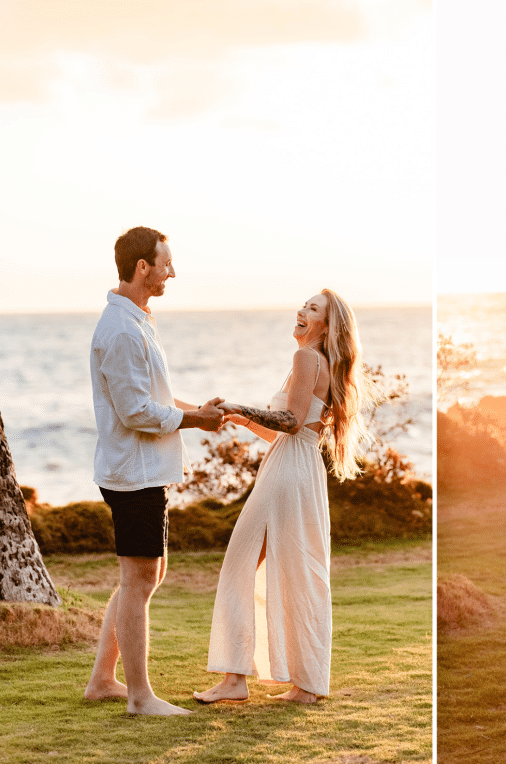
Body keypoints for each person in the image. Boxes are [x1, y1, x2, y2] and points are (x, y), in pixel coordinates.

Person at [193, 289, 373, 705]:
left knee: (239, 564)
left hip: (287, 472)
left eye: (313, 309)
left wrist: (241, 404)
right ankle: (304, 686)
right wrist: (239, 417)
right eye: (304, 304)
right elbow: (288, 429)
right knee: (298, 572)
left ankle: (235, 680)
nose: (302, 310)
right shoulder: (317, 362)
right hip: (299, 469)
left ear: (326, 326)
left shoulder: (307, 358)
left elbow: (290, 422)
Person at [83, 226, 226, 716]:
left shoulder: (138, 320)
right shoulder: (121, 329)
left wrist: (199, 413)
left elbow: (157, 400)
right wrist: (194, 419)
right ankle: (140, 697)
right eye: (165, 262)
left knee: (143, 577)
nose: (171, 271)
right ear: (142, 267)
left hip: (144, 470)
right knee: (140, 578)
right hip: (132, 473)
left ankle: (103, 680)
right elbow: (135, 412)